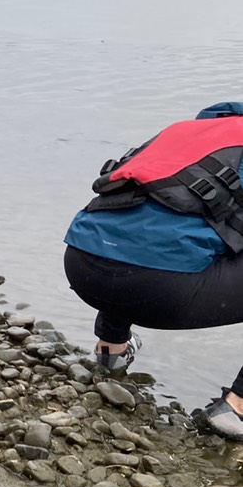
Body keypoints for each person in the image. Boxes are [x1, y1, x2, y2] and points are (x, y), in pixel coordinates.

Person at [64, 102, 243, 440]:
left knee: (144, 228)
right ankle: (236, 407)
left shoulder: (186, 132)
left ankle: (111, 351)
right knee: (164, 245)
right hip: (158, 291)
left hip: (81, 263)